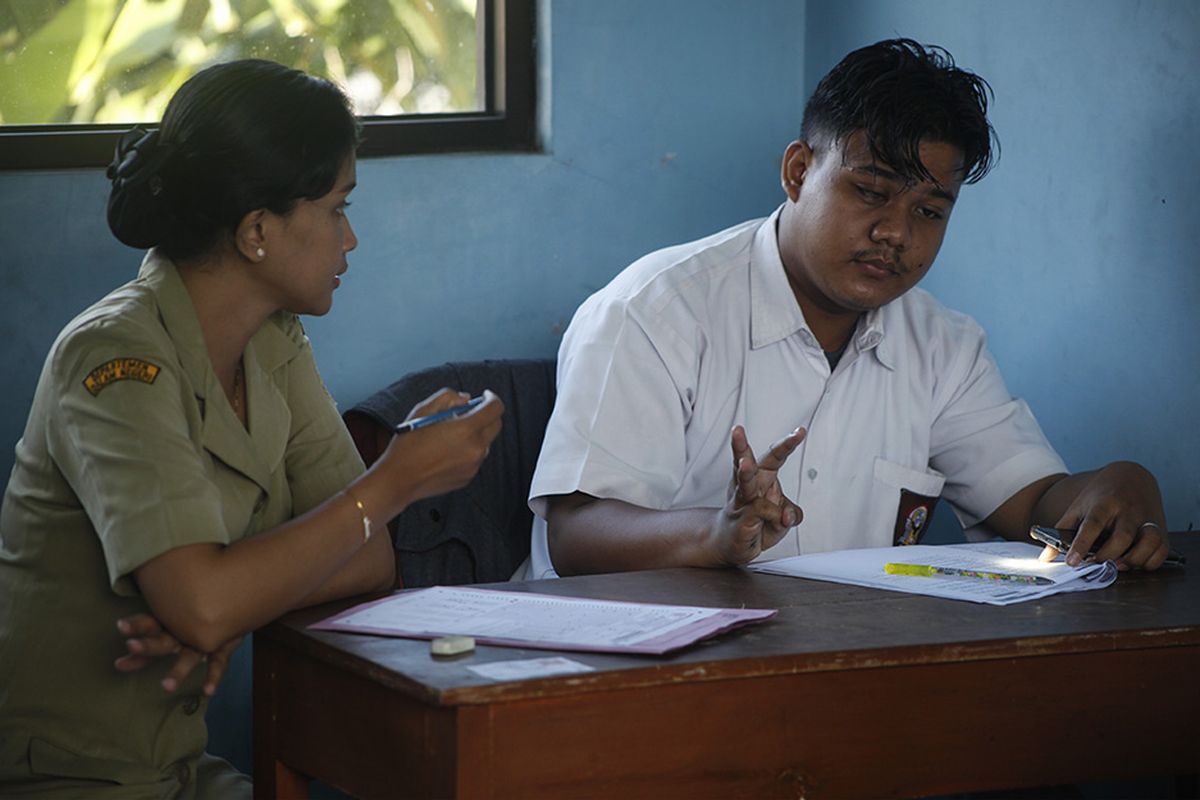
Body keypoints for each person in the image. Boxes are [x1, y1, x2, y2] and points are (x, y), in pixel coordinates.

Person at [0, 59, 504, 798]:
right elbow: (209, 603)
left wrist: (230, 600)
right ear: (258, 230)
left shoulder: (273, 341)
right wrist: (397, 477)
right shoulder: (113, 357)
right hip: (59, 778)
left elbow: (368, 565)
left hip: (176, 775)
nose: (351, 239)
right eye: (337, 208)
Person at [520, 39, 1169, 580]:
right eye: (870, 192)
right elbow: (576, 540)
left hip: (840, 677)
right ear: (799, 172)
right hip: (637, 682)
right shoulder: (655, 312)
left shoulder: (942, 346)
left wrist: (1118, 484)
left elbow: (1029, 501)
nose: (896, 232)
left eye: (929, 211)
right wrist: (715, 537)